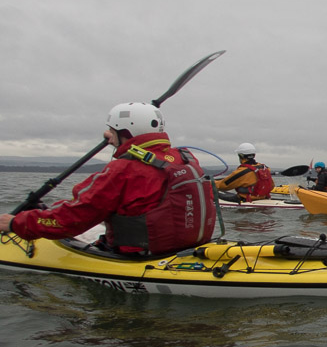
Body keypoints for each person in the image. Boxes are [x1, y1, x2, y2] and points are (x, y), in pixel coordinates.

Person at [0, 102, 216, 255]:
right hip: (184, 249)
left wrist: (17, 223)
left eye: (112, 131)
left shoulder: (124, 168)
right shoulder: (185, 158)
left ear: (127, 132)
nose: (109, 137)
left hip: (139, 255)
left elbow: (75, 216)